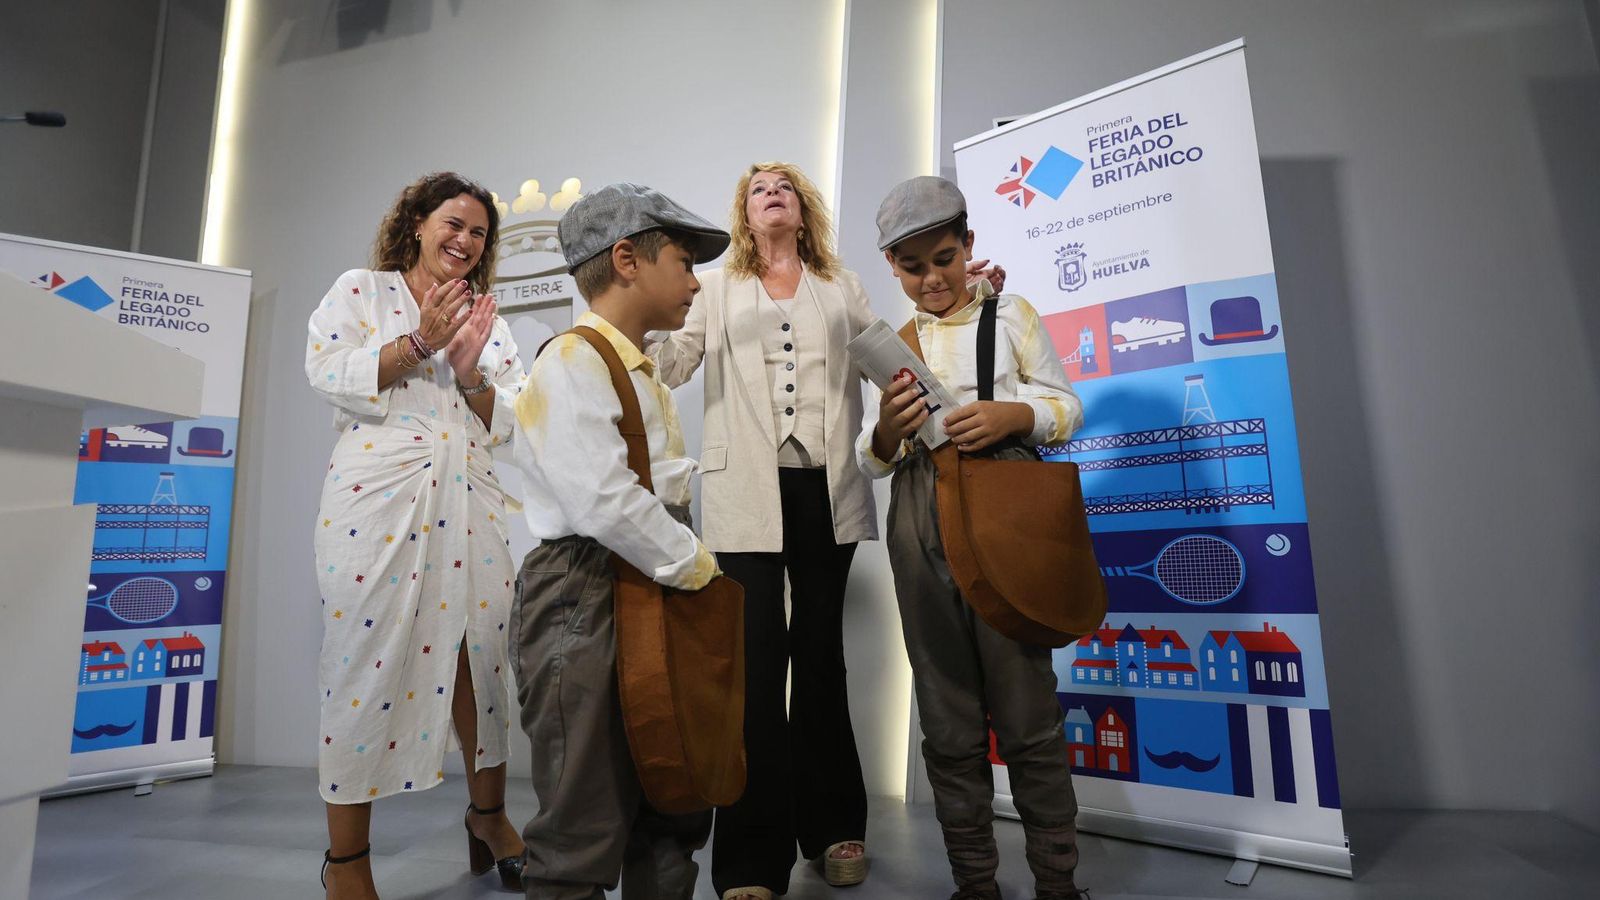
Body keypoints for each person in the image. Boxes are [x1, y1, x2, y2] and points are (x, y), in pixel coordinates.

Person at [857, 176, 1089, 900]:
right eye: (912, 267)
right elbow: (871, 457)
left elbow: (1065, 406)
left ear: (969, 247)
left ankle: (1056, 883)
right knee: (946, 709)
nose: (932, 278)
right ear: (892, 267)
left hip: (1004, 510)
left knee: (1026, 707)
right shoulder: (892, 344)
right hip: (917, 517)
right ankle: (974, 884)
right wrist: (888, 432)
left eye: (944, 259)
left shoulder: (1012, 314)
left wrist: (1013, 417)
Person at [648, 161, 875, 899]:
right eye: (757, 189)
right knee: (752, 667)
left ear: (802, 210)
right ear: (745, 216)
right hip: (744, 489)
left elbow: (890, 359)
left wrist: (965, 306)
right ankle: (751, 859)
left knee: (821, 658)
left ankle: (834, 825)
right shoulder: (714, 287)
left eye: (783, 186)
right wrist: (632, 319)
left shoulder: (841, 286)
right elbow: (672, 364)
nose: (771, 193)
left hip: (828, 489)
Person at [306, 172, 528, 899]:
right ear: (417, 224)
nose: (465, 241)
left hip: (473, 497)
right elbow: (327, 370)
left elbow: (514, 421)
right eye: (453, 224)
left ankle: (489, 818)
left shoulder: (488, 321)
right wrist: (417, 343)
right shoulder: (360, 292)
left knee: (482, 654)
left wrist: (469, 373)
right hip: (376, 500)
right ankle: (347, 862)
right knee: (361, 660)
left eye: (479, 233)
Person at [508, 182, 731, 900]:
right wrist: (697, 565)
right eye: (685, 262)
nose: (695, 282)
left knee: (670, 790)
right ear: (628, 259)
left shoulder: (640, 367)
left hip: (648, 576)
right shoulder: (571, 361)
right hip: (587, 589)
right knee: (584, 805)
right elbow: (603, 499)